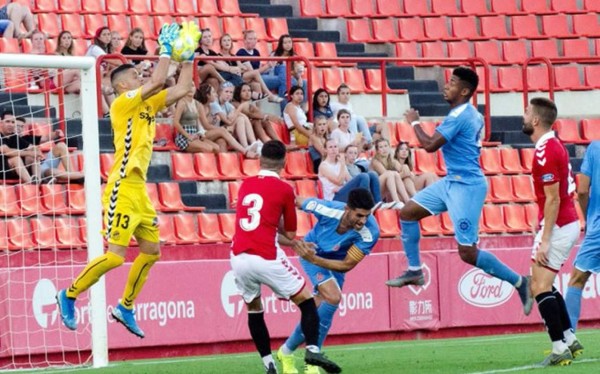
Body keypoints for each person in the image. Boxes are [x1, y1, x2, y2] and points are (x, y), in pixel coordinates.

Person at [56, 22, 201, 338]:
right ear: (123, 87)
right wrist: (164, 51)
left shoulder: (147, 103)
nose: (142, 79)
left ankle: (125, 306)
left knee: (152, 251)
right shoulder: (122, 104)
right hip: (121, 186)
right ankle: (68, 294)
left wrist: (189, 56)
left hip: (140, 191)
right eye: (136, 77)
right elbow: (161, 79)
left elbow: (182, 89)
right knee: (114, 256)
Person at [385, 67, 533, 317]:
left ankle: (520, 282)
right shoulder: (469, 114)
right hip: (451, 182)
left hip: (467, 187)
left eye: (452, 83)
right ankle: (415, 270)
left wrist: (415, 122)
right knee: (408, 212)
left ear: (464, 91)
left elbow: (430, 145)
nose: (446, 86)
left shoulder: (461, 116)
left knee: (467, 253)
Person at [230, 140, 341, 374]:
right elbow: (289, 233)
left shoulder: (245, 185)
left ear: (259, 161)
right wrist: (284, 228)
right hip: (266, 255)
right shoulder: (284, 190)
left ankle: (269, 364)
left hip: (238, 257)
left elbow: (256, 223)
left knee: (254, 309)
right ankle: (312, 350)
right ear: (284, 163)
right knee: (307, 303)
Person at [276, 188, 379, 374]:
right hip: (312, 252)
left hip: (334, 263)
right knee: (333, 297)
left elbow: (347, 264)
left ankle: (286, 352)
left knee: (317, 313)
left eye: (367, 216)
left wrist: (315, 259)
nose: (363, 221)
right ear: (347, 208)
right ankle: (312, 362)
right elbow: (294, 199)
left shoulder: (370, 231)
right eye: (359, 215)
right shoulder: (327, 208)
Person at [521, 97, 582, 366]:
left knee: (538, 286)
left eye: (526, 113)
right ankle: (569, 339)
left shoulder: (545, 151)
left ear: (535, 120)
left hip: (558, 225)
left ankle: (559, 349)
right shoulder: (555, 144)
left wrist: (545, 239)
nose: (523, 117)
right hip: (565, 222)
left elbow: (554, 199)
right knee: (546, 284)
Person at [565, 141, 599, 335]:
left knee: (577, 279)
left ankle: (568, 339)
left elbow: (583, 190)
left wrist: (589, 219)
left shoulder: (595, 148)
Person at [219, 33, 282, 103]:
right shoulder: (219, 55)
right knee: (280, 78)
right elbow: (223, 67)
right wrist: (268, 65)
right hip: (231, 78)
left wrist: (238, 68)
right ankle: (270, 95)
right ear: (221, 43)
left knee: (256, 84)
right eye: (224, 40)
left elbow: (242, 68)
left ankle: (261, 108)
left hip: (241, 76)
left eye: (228, 40)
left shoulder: (234, 56)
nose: (227, 42)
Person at [211, 81, 259, 149]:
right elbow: (228, 121)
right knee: (239, 117)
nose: (229, 94)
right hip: (215, 130)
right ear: (220, 92)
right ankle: (247, 146)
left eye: (231, 92)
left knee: (241, 117)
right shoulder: (214, 103)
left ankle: (251, 143)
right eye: (226, 91)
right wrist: (241, 107)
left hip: (225, 129)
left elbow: (233, 116)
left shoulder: (227, 104)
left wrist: (237, 113)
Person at [0, 110, 40, 183]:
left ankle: (38, 181)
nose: (11, 124)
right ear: (1, 122)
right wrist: (29, 153)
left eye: (12, 122)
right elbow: (6, 151)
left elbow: (31, 146)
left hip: (12, 169)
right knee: (16, 158)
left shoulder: (14, 136)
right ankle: (31, 184)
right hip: (1, 169)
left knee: (33, 157)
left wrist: (36, 151)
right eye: (7, 121)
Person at [370, 138, 410, 205]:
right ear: (377, 150)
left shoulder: (391, 159)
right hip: (374, 190)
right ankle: (396, 201)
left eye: (385, 146)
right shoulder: (375, 162)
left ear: (389, 147)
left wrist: (405, 167)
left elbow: (405, 171)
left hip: (385, 190)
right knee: (391, 174)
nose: (384, 149)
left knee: (401, 176)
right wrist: (401, 173)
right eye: (381, 147)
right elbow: (387, 175)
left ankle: (408, 201)